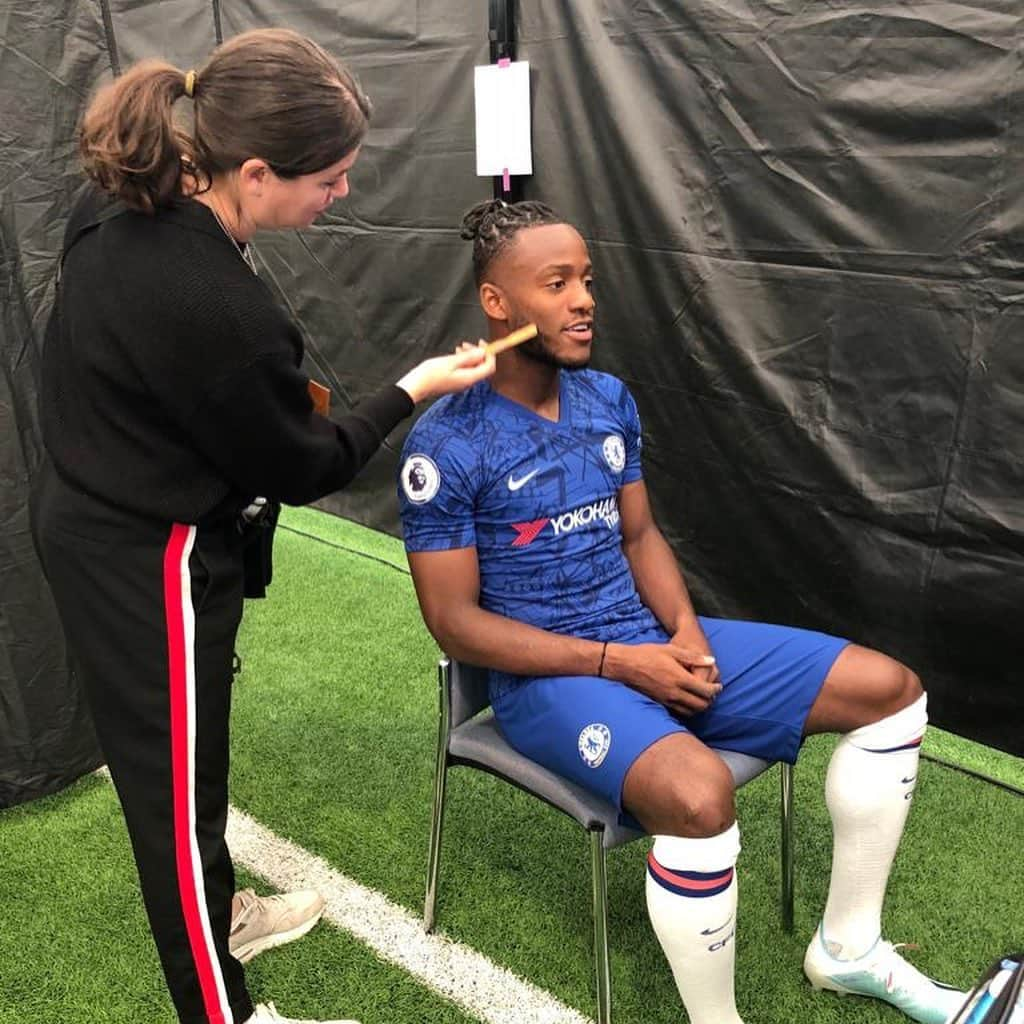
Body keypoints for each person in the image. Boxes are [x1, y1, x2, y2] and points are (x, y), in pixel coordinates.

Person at [398, 198, 967, 1024]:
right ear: (497, 304)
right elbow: (454, 625)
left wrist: (686, 636)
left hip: (645, 642)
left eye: (586, 280)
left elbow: (640, 536)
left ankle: (849, 950)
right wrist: (619, 664)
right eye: (556, 284)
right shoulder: (446, 442)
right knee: (701, 796)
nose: (584, 299)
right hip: (545, 683)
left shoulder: (607, 400)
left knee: (890, 690)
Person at [30, 29, 495, 1024]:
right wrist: (412, 386)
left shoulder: (130, 195)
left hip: (114, 511)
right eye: (328, 179)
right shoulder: (218, 307)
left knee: (191, 774)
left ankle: (224, 910)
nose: (338, 197)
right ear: (251, 170)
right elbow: (308, 462)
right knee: (174, 812)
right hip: (142, 555)